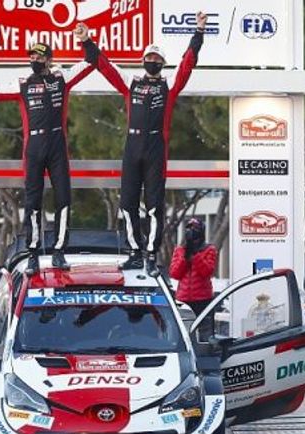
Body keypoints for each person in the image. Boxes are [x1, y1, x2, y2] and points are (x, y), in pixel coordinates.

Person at [81, 15, 206, 275]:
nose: (152, 62)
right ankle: (134, 252)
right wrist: (87, 42)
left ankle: (151, 255)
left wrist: (199, 32)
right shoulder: (131, 82)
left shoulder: (168, 84)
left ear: (162, 64)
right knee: (127, 203)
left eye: (157, 60)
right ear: (143, 61)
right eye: (149, 58)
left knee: (154, 206)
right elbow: (105, 67)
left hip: (155, 146)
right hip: (132, 144)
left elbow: (188, 64)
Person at [0, 26, 94, 275]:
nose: (34, 60)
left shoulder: (62, 78)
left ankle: (60, 251)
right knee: (32, 202)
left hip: (57, 145)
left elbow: (91, 62)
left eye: (40, 57)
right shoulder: (23, 83)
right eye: (31, 56)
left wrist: (86, 41)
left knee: (63, 199)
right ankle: (33, 252)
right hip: (34, 147)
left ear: (49, 60)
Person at [169, 218, 217, 339]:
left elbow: (207, 272)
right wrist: (185, 257)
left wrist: (196, 256)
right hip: (183, 300)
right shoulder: (180, 250)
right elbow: (175, 273)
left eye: (195, 228)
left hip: (203, 300)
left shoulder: (209, 249)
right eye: (189, 228)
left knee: (204, 335)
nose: (191, 231)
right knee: (184, 334)